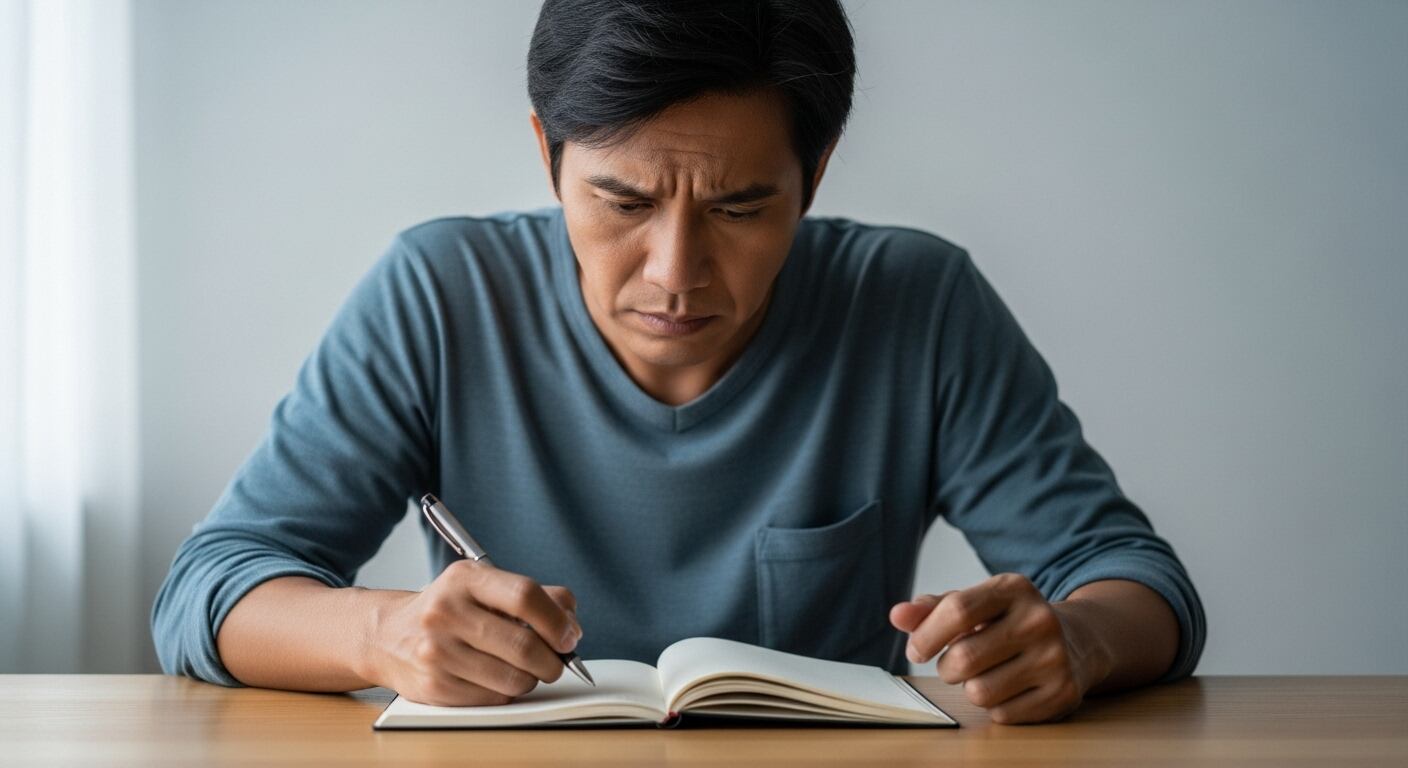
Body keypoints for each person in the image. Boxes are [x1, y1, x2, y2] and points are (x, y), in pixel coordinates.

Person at [153, 0, 1205, 725]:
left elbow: (1137, 584)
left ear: (816, 171)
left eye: (742, 207)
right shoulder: (440, 292)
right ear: (545, 156)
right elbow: (209, 592)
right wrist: (381, 635)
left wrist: (1075, 643)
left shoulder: (916, 303)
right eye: (620, 202)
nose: (675, 273)